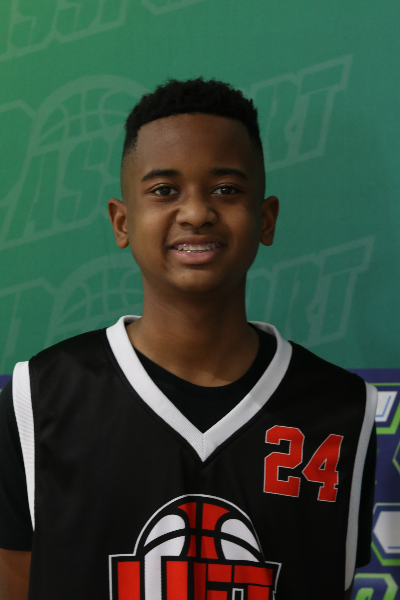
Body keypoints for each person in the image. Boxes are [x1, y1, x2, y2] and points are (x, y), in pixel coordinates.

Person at [0, 78, 377, 600]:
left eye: (226, 189)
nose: (197, 213)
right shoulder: (40, 397)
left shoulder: (341, 410)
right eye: (164, 190)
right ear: (122, 221)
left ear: (265, 219)